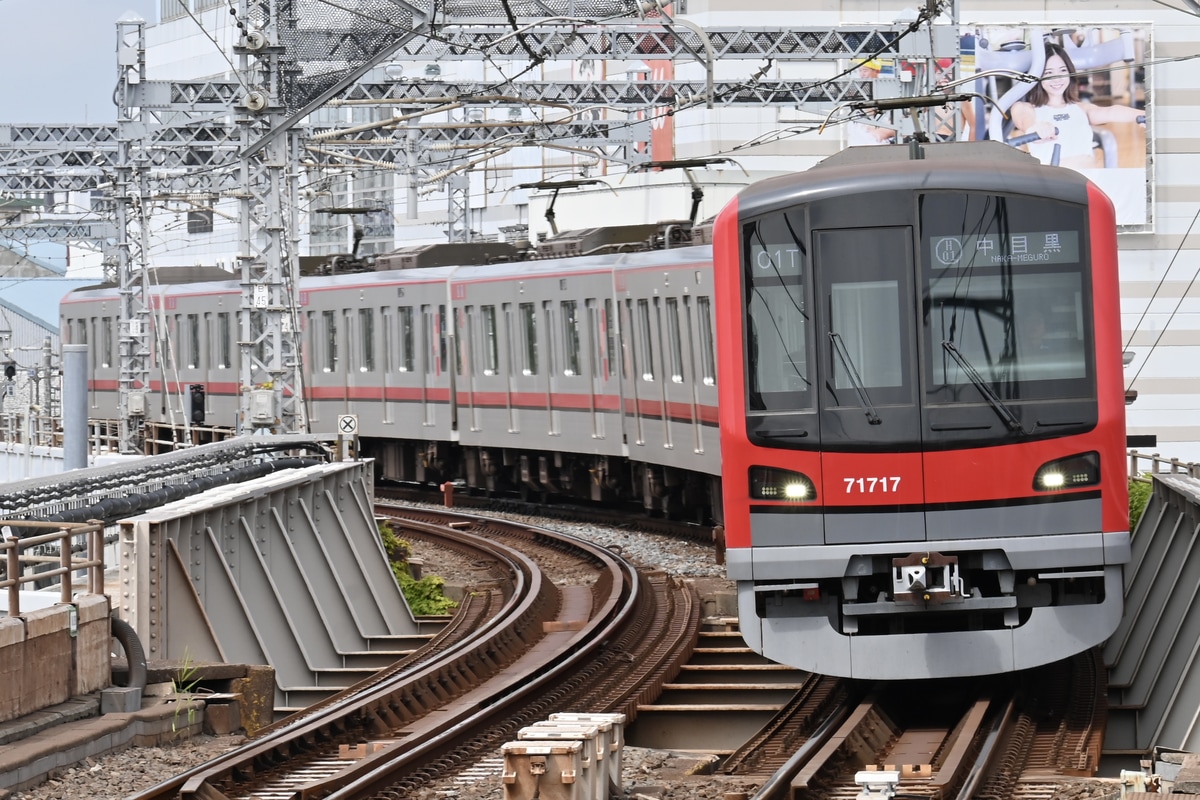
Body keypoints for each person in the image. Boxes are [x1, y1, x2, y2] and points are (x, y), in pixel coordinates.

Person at [1009, 41, 1145, 170]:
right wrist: (1035, 128)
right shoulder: (1027, 109)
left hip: (1089, 180)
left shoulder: (1081, 108)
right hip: (1054, 184)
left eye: (1062, 70)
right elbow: (1022, 117)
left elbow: (1112, 112)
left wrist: (1142, 115)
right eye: (1048, 73)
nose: (1057, 78)